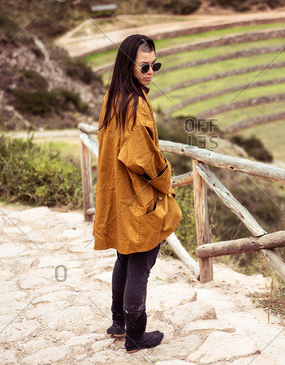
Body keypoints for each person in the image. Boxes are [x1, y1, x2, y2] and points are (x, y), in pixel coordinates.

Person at [93, 33, 182, 353]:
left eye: (155, 65)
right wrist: (166, 180)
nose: (150, 72)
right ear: (128, 65)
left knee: (124, 257)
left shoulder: (113, 96)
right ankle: (135, 335)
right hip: (136, 196)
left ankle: (118, 323)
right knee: (141, 264)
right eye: (144, 66)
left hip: (116, 195)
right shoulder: (136, 106)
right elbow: (143, 158)